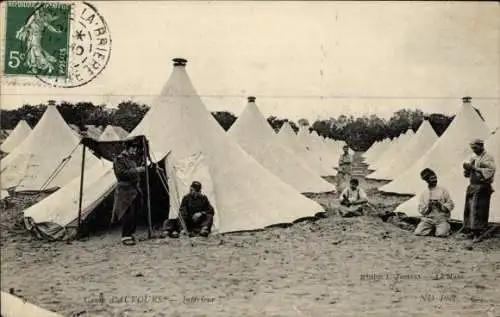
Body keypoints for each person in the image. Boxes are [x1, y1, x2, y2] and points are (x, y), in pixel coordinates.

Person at [111, 142, 145, 245]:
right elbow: (121, 174)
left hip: (134, 190)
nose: (134, 151)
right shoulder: (119, 160)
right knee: (128, 213)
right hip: (125, 191)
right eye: (133, 149)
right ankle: (125, 236)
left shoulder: (131, 159)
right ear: (127, 148)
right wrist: (137, 170)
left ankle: (131, 233)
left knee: (135, 212)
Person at [461, 139, 496, 240]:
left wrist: (473, 168)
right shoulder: (473, 157)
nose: (474, 150)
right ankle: (471, 230)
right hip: (472, 185)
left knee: (479, 209)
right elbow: (468, 174)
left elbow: (490, 171)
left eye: (475, 148)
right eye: (472, 148)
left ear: (481, 146)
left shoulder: (488, 157)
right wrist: (467, 169)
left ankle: (479, 231)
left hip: (482, 186)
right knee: (470, 208)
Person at [414, 168, 454, 237]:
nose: (435, 180)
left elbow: (450, 204)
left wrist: (441, 206)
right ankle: (432, 229)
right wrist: (428, 207)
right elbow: (421, 209)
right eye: (432, 178)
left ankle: (445, 228)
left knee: (441, 234)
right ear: (427, 181)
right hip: (428, 219)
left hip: (441, 218)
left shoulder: (443, 190)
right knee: (418, 233)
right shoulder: (424, 193)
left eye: (435, 178)